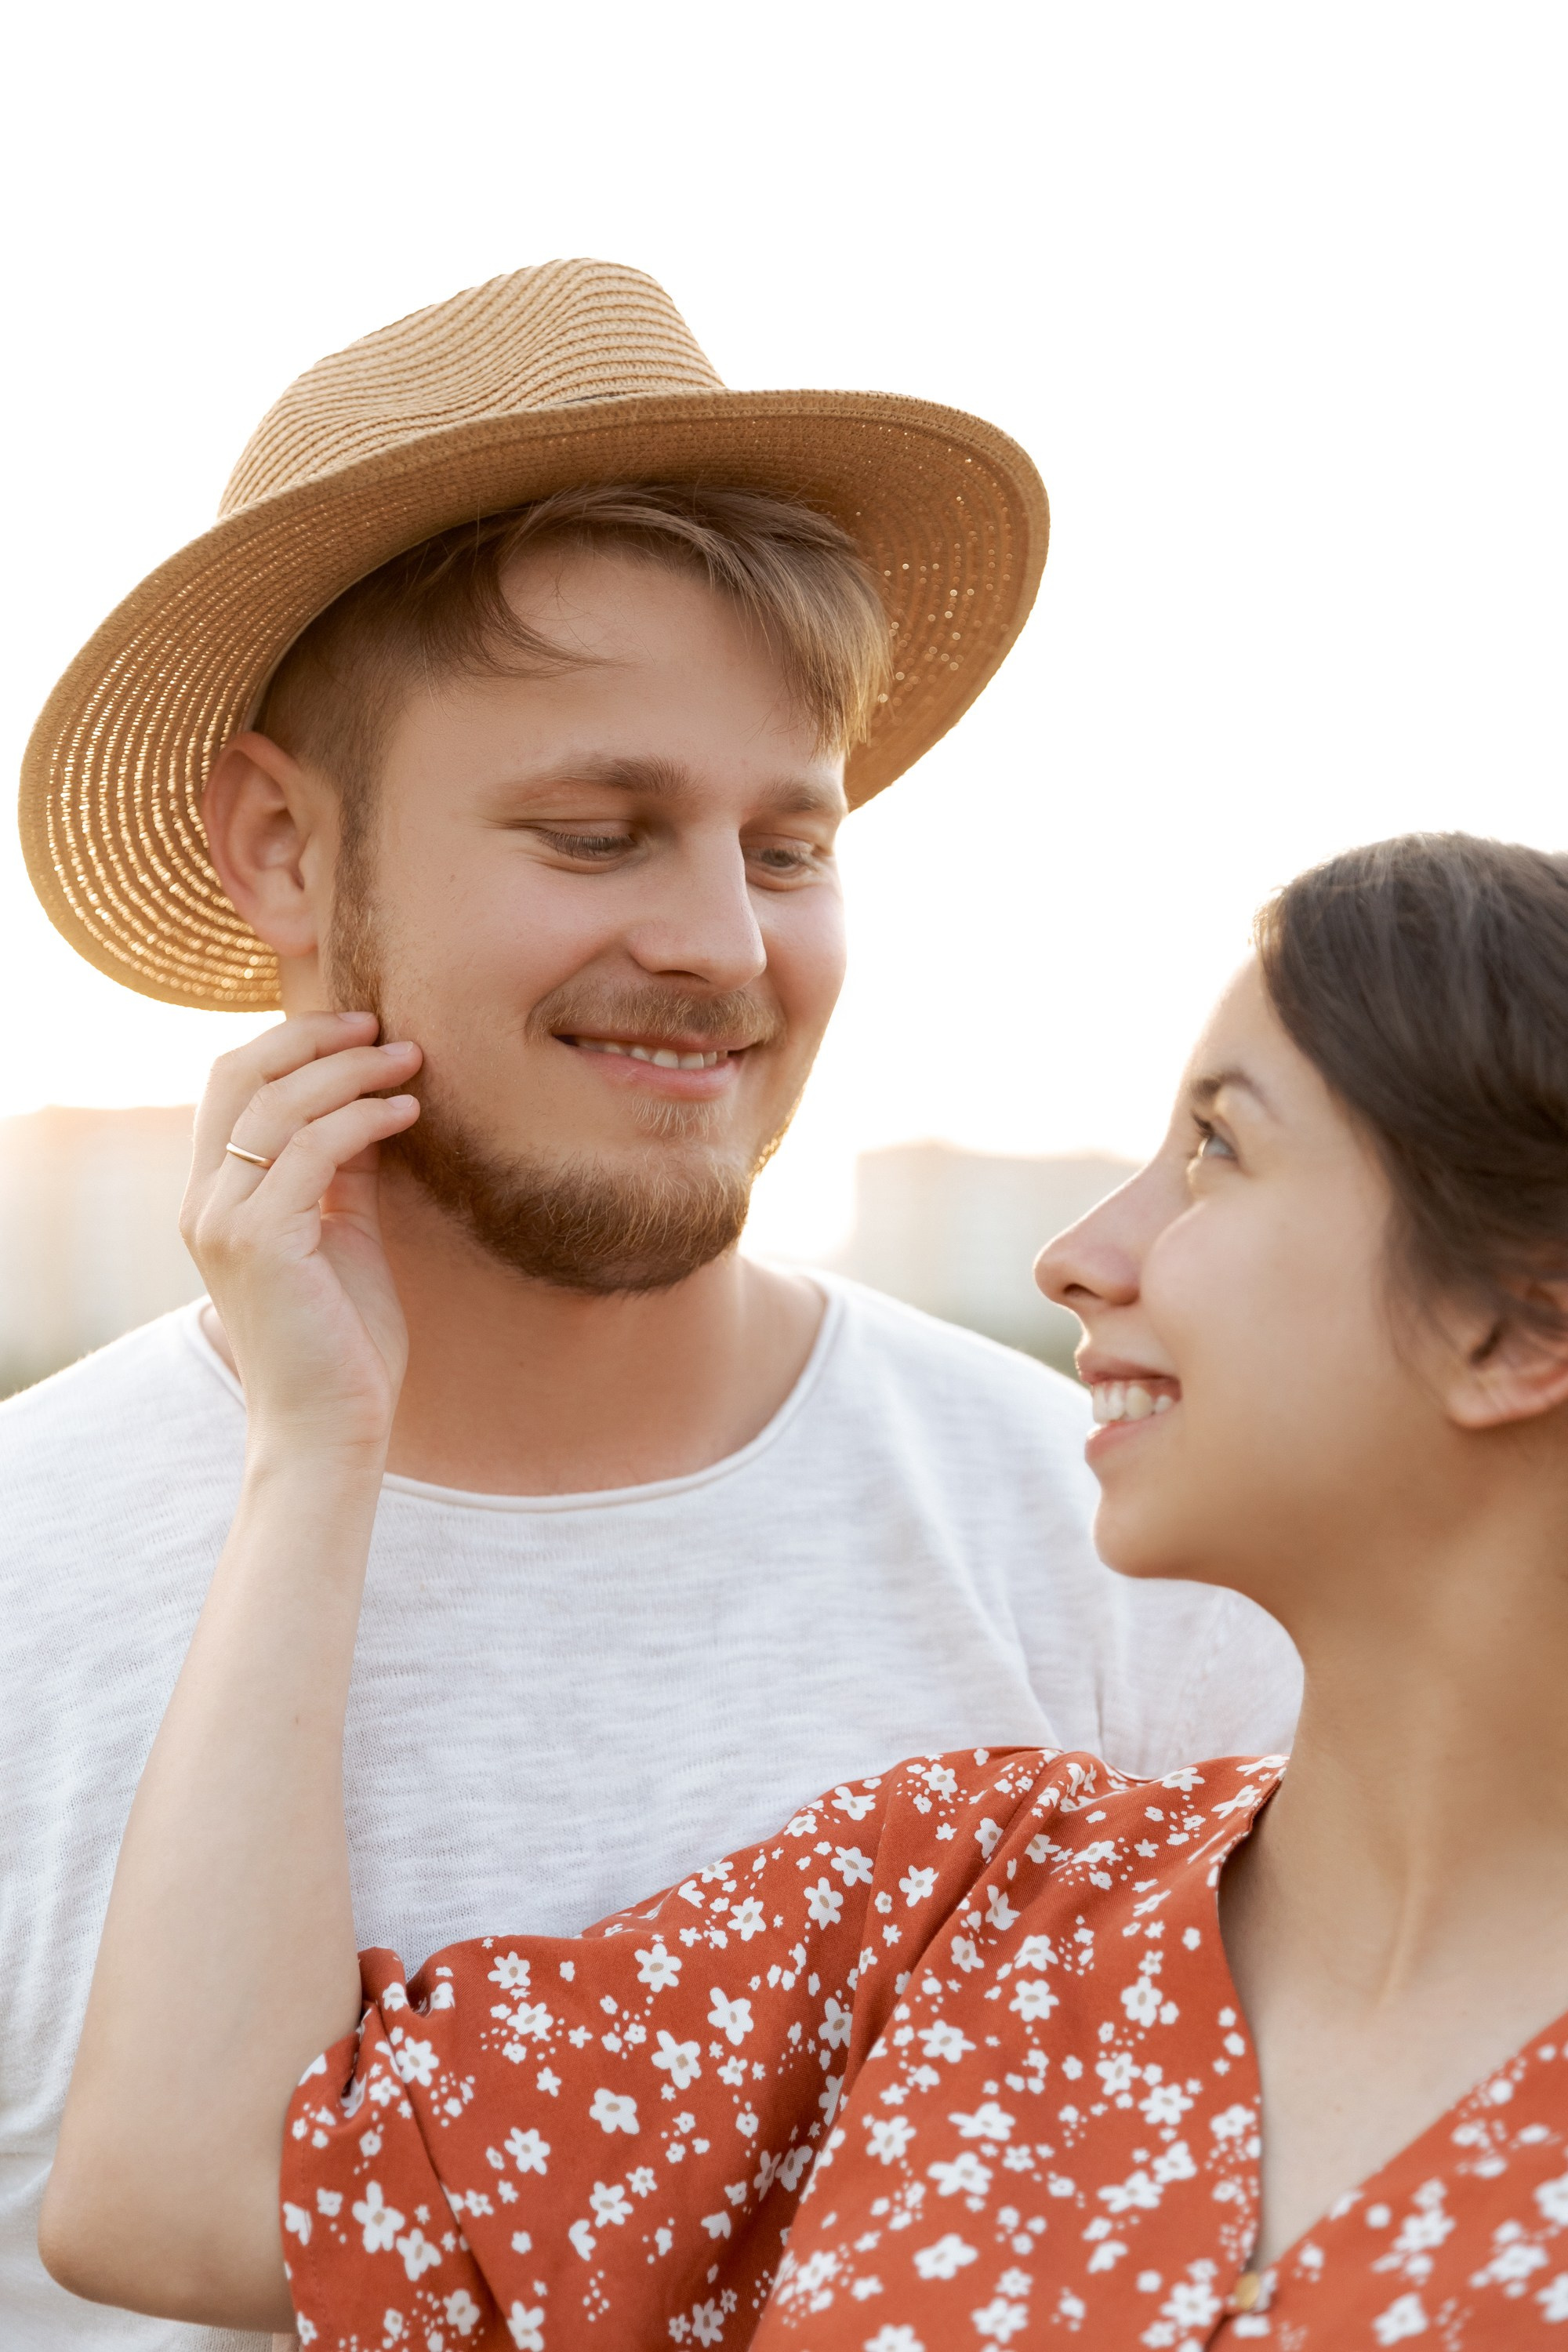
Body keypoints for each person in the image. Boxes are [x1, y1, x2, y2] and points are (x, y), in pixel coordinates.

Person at [2, 261, 1298, 2348]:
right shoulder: (25, 1574)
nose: (721, 945)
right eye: (598, 833)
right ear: (279, 847)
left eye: (790, 851)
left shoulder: (1134, 1561)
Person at [42, 831, 1568, 2348]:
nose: (1081, 1256)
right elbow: (204, 2200)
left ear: (1516, 1326)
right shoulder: (959, 1908)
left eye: (1218, 1151)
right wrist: (316, 1448)